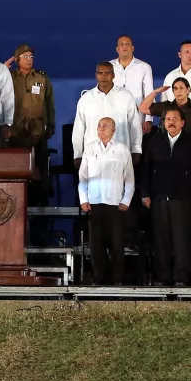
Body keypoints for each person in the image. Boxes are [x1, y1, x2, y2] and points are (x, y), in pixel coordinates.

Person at [140, 105, 191, 286]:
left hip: (182, 198)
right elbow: (146, 169)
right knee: (161, 240)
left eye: (175, 119)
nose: (171, 122)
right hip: (159, 197)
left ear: (182, 122)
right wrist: (145, 193)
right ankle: (163, 277)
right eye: (168, 119)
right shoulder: (154, 141)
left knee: (182, 240)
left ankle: (181, 278)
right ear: (163, 122)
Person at [78, 117, 134, 285]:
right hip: (94, 203)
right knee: (96, 245)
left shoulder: (122, 150)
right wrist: (83, 199)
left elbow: (129, 177)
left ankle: (117, 279)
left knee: (116, 243)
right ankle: (99, 278)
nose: (101, 129)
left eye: (105, 126)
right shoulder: (90, 149)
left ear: (113, 129)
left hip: (115, 204)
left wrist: (126, 199)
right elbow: (83, 176)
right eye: (99, 126)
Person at [8, 44, 55, 205]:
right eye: (25, 57)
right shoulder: (9, 77)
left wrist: (51, 125)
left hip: (37, 132)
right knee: (15, 170)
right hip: (15, 132)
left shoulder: (41, 77)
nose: (29, 60)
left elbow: (49, 103)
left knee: (38, 170)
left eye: (31, 57)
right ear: (17, 59)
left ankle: (39, 207)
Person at [74, 62, 142, 170]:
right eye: (100, 73)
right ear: (96, 75)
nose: (104, 76)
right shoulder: (86, 99)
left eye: (107, 73)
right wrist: (77, 154)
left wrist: (136, 150)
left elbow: (135, 125)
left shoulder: (126, 97)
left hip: (120, 153)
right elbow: (79, 128)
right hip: (92, 155)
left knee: (120, 186)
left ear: (113, 75)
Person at [139, 78, 191, 147]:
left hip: (189, 149)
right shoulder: (165, 106)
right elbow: (143, 108)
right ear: (173, 92)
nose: (178, 91)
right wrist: (155, 92)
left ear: (188, 90)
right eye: (175, 88)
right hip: (166, 149)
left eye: (181, 88)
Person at [110, 36, 155, 133]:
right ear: (117, 49)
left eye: (128, 44)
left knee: (136, 146)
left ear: (133, 48)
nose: (124, 46)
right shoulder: (109, 67)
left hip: (137, 117)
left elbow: (149, 94)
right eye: (121, 44)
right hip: (113, 115)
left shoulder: (144, 67)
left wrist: (148, 119)